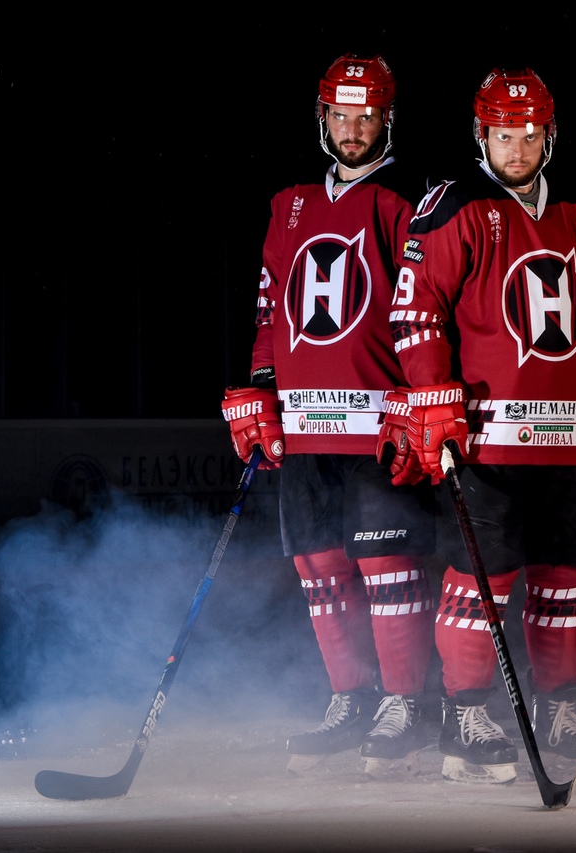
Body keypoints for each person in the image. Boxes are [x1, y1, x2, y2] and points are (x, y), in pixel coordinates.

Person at [387, 67, 576, 784]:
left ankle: (555, 708)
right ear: (482, 135)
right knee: (483, 578)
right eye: (504, 135)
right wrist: (432, 394)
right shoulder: (454, 206)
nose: (518, 148)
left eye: (530, 135)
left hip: (566, 442)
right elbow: (415, 312)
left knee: (565, 579)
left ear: (549, 136)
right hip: (488, 441)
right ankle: (463, 716)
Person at [220, 53, 439, 779]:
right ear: (323, 118)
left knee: (385, 565)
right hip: (307, 419)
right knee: (318, 566)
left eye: (365, 116)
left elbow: (428, 309)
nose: (352, 129)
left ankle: (407, 705)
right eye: (340, 116)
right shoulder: (289, 205)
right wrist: (261, 388)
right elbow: (270, 310)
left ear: (387, 119)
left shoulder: (409, 201)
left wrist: (420, 394)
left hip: (380, 421)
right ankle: (353, 696)